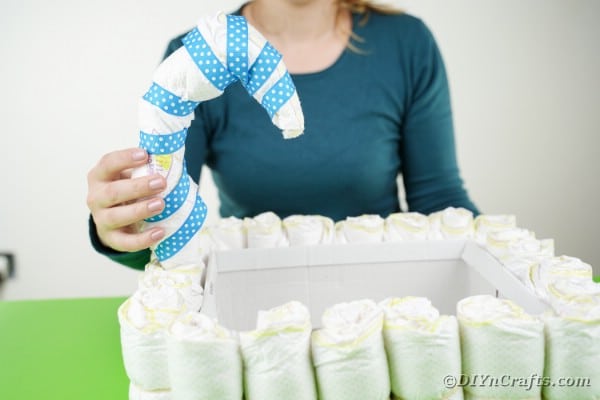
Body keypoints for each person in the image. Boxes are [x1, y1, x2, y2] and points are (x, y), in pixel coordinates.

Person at [87, 0, 479, 270]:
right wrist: (123, 227)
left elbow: (439, 202)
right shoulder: (198, 58)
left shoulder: (406, 44)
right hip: (249, 303)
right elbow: (166, 219)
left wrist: (503, 259)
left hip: (378, 297)